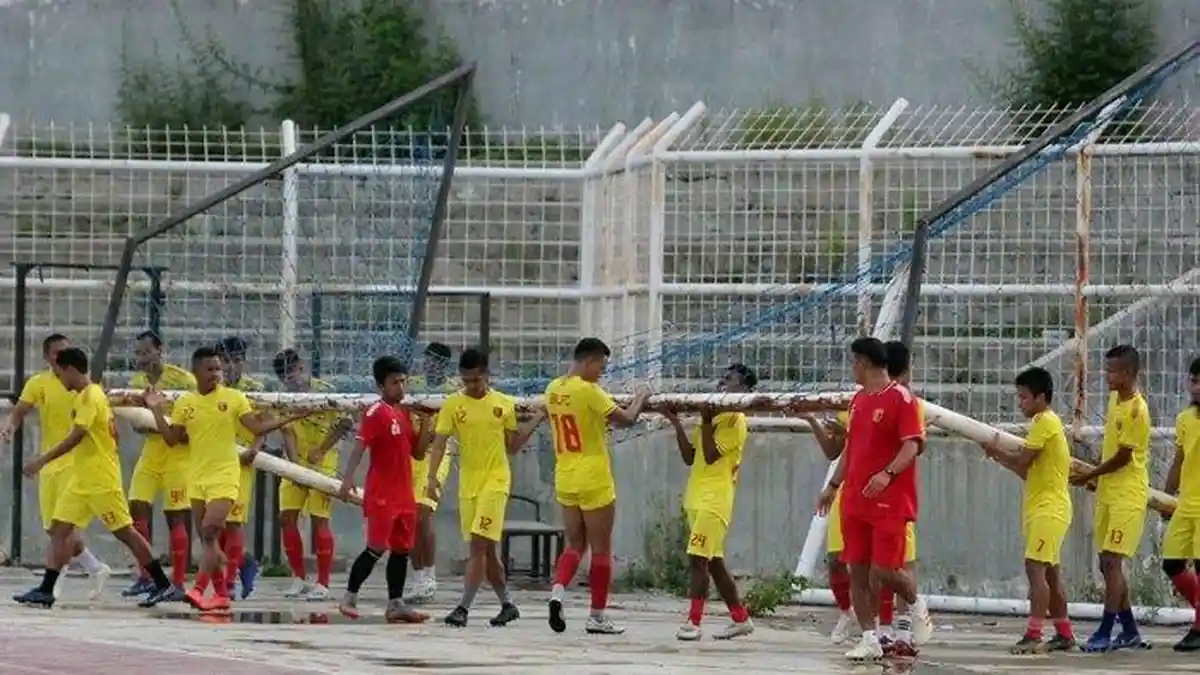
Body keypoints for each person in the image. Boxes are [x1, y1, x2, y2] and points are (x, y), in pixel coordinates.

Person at [143, 346, 305, 612]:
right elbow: (172, 440)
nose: (216, 374)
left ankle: (197, 589)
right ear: (195, 372)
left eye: (218, 369)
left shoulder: (233, 398)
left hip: (226, 475)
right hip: (196, 477)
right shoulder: (186, 403)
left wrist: (288, 418)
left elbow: (256, 427)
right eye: (209, 369)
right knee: (209, 541)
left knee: (209, 530)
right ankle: (222, 591)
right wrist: (157, 411)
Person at [13, 347, 177, 608]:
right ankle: (46, 589)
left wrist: (41, 461)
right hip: (81, 478)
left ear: (69, 369)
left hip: (100, 480)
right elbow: (112, 436)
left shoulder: (91, 396)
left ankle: (163, 584)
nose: (59, 379)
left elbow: (77, 436)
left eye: (59, 373)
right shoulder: (86, 396)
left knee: (125, 532)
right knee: (59, 530)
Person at [816, 337, 932, 662]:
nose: (852, 368)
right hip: (856, 499)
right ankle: (869, 637)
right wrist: (833, 484)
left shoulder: (902, 400)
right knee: (858, 569)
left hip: (889, 501)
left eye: (854, 362)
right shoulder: (857, 401)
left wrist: (887, 474)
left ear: (864, 363)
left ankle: (915, 600)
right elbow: (852, 449)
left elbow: (912, 445)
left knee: (883, 570)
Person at [425, 348, 544, 627]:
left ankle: (463, 608)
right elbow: (440, 442)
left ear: (486, 375)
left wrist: (536, 421)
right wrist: (431, 478)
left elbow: (512, 446)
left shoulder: (502, 404)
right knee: (487, 550)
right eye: (467, 381)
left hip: (496, 481)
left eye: (476, 380)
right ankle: (507, 604)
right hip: (469, 484)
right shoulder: (453, 405)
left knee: (478, 545)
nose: (472, 386)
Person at [544, 337, 650, 635]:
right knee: (601, 548)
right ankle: (597, 615)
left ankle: (557, 592)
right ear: (588, 361)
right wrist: (641, 395)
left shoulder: (553, 389)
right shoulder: (589, 391)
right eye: (600, 366)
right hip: (593, 476)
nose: (601, 373)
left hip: (565, 474)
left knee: (575, 544)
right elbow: (627, 418)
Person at [1, 334, 111, 599]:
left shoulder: (85, 387)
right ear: (46, 357)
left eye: (66, 351)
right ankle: (94, 567)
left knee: (65, 530)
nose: (61, 357)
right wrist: (10, 427)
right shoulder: (39, 383)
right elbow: (20, 410)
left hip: (76, 463)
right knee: (55, 530)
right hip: (51, 465)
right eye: (55, 353)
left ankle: (53, 585)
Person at [980, 367, 1076, 653]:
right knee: (1050, 574)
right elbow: (1026, 471)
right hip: (1042, 507)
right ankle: (1064, 633)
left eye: (1024, 397)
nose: (1020, 403)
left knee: (1035, 568)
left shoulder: (1045, 421)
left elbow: (1021, 462)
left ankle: (1034, 634)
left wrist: (995, 450)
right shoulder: (1043, 424)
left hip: (1050, 509)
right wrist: (997, 454)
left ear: (1041, 397)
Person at [660, 364, 756, 641]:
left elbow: (713, 455)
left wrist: (704, 419)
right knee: (713, 562)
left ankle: (693, 621)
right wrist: (677, 422)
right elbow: (691, 457)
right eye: (723, 378)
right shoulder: (712, 416)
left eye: (731, 381)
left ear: (745, 390)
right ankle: (740, 618)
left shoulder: (735, 420)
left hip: (716, 498)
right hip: (696, 495)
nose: (723, 383)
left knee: (697, 557)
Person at [336, 356, 429, 623]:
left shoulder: (404, 414)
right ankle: (349, 597)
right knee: (376, 547)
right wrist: (348, 478)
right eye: (394, 382)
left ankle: (395, 604)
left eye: (403, 381)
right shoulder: (376, 412)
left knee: (401, 550)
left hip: (404, 495)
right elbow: (359, 445)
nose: (400, 387)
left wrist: (425, 425)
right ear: (381, 386)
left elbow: (419, 453)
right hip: (382, 494)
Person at [1070, 344, 1151, 652]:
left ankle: (1105, 631)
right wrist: (1097, 480)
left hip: (1127, 496)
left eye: (1112, 371)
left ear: (1129, 373)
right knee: (1107, 564)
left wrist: (1090, 474)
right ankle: (1129, 630)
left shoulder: (1136, 409)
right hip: (1108, 492)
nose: (1107, 377)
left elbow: (1123, 458)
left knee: (1113, 561)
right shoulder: (1115, 398)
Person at [121, 330, 197, 597]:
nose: (142, 358)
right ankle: (147, 575)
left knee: (175, 515)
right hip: (152, 452)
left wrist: (160, 422)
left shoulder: (183, 380)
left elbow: (190, 420)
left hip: (177, 454)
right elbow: (137, 425)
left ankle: (177, 581)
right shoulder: (137, 381)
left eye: (146, 352)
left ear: (160, 350)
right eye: (138, 353)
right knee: (136, 508)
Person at [273, 348, 343, 601]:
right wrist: (294, 467)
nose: (292, 377)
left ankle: (323, 583)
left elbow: (344, 423)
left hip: (324, 461)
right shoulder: (283, 398)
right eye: (286, 375)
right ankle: (298, 578)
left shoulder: (326, 391)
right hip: (297, 460)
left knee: (319, 519)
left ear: (302, 367)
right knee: (286, 517)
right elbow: (287, 431)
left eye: (294, 370)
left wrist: (322, 449)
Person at [207, 336, 265, 599]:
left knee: (233, 523)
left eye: (236, 361)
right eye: (226, 361)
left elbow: (263, 422)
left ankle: (229, 582)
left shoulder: (253, 389)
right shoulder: (210, 389)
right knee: (213, 524)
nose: (231, 367)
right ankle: (243, 562)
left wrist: (255, 448)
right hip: (214, 462)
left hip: (241, 464)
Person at [405, 341, 457, 604]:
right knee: (410, 518)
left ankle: (430, 574)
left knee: (423, 515)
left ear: (444, 366)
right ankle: (417, 578)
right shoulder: (411, 384)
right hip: (411, 454)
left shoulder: (453, 390)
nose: (429, 365)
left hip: (437, 453)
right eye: (427, 359)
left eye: (435, 361)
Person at [1161, 356, 1200, 652]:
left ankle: (1198, 628)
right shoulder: (1185, 419)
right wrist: (1166, 495)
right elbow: (1179, 460)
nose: (1195, 387)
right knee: (1172, 563)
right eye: (1193, 381)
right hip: (1187, 504)